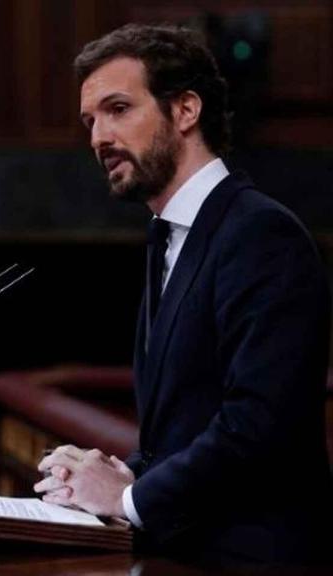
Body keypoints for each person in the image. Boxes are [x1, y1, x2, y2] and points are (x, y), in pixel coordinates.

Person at [33, 24, 331, 564]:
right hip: (187, 549)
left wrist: (128, 497)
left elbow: (258, 426)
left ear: (186, 110)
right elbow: (184, 423)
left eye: (118, 109)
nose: (98, 137)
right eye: (90, 120)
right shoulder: (165, 235)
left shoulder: (262, 233)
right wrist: (117, 472)